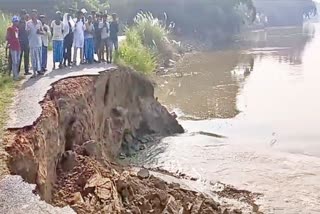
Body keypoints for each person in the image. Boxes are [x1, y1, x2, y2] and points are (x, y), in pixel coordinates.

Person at [26, 9, 44, 77]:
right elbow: (26, 33)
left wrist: (40, 32)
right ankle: (34, 72)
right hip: (32, 43)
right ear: (31, 15)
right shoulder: (28, 23)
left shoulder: (39, 22)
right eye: (32, 14)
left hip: (39, 42)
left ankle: (39, 70)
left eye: (35, 14)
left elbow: (42, 32)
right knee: (33, 58)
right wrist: (28, 31)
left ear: (37, 15)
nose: (34, 15)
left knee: (39, 58)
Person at [6, 16, 21, 80]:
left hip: (18, 46)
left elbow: (17, 37)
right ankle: (15, 76)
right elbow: (7, 37)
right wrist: (9, 43)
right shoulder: (10, 28)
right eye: (15, 21)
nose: (16, 22)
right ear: (13, 21)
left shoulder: (17, 29)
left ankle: (16, 74)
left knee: (17, 61)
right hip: (13, 47)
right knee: (14, 62)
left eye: (17, 21)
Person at [18, 9, 31, 75]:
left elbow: (28, 32)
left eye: (24, 14)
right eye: (23, 14)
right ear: (20, 15)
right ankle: (17, 71)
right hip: (20, 41)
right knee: (19, 56)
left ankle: (26, 70)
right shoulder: (18, 22)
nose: (24, 15)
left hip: (26, 41)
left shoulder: (27, 22)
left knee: (26, 56)